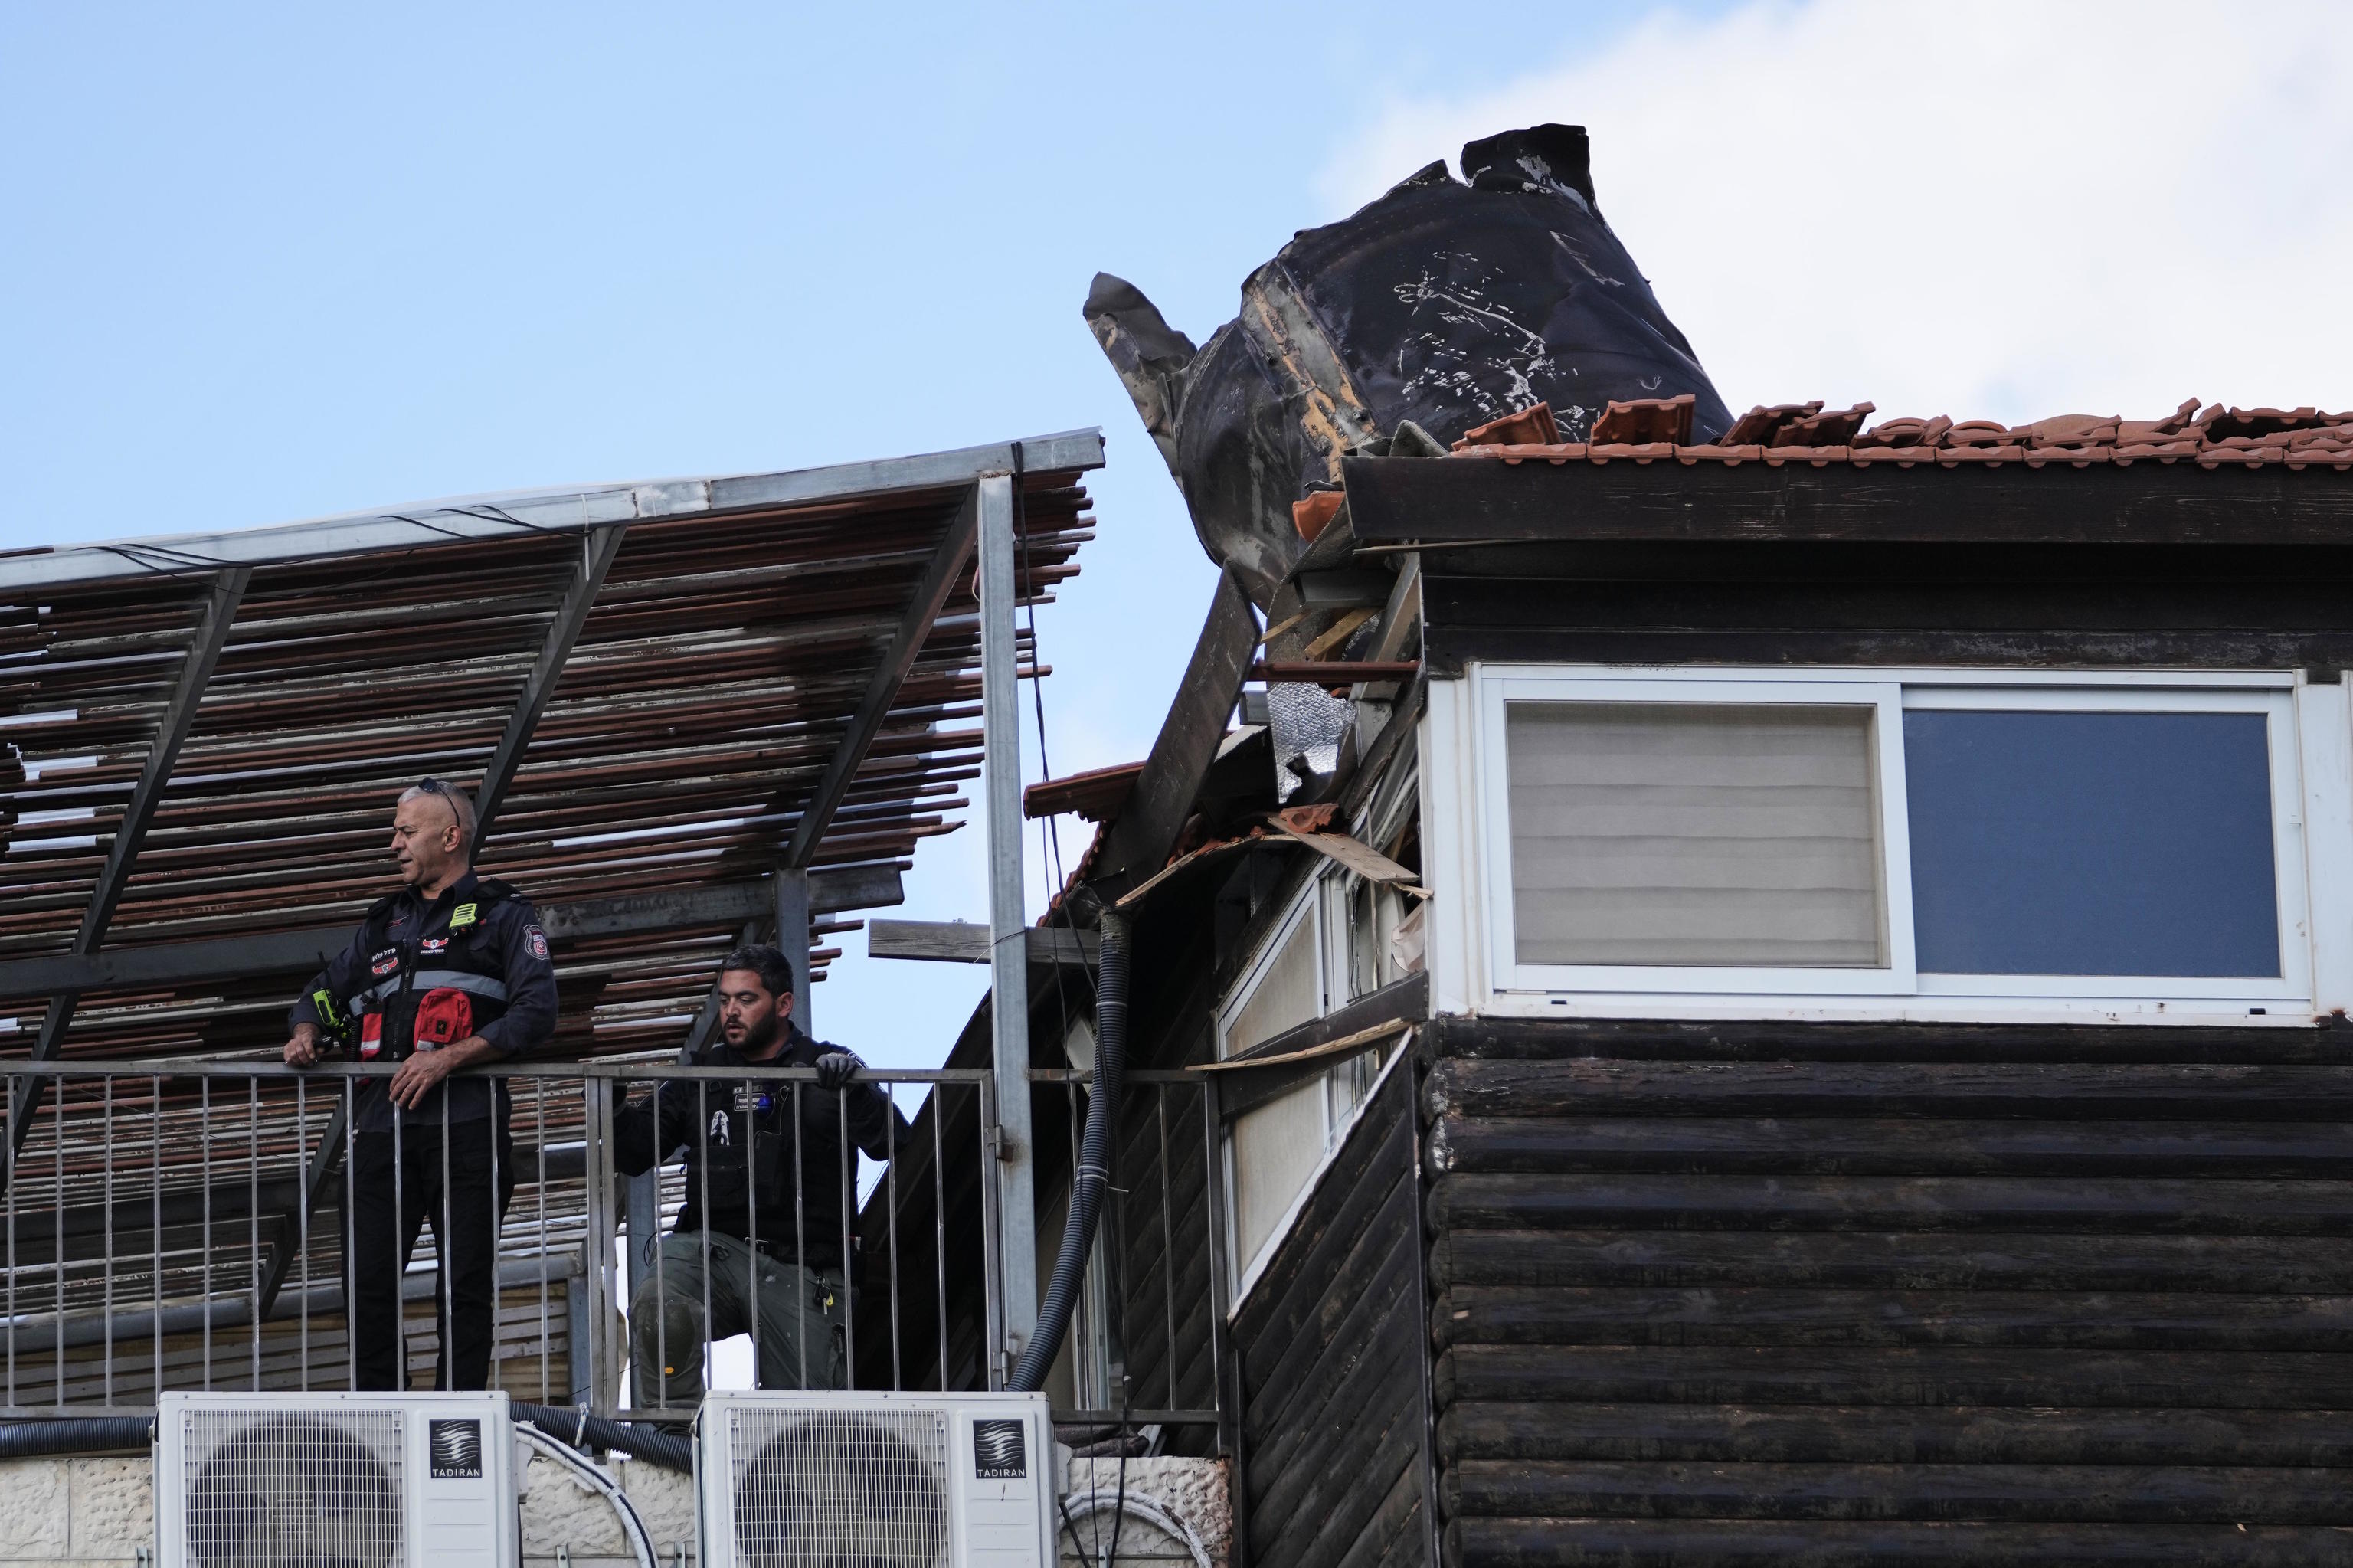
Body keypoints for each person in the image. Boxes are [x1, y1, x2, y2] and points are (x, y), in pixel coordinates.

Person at [282, 778, 557, 1391]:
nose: (394, 844)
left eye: (406, 831)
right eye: (395, 832)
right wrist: (305, 1029)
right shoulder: (386, 922)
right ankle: (384, 1419)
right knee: (367, 1285)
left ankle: (454, 1423)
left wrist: (447, 1058)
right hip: (381, 1132)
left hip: (468, 1129)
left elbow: (537, 1011)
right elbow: (321, 994)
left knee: (464, 1287)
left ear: (450, 836)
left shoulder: (505, 913)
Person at [614, 944, 897, 1405]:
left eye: (746, 1000)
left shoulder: (826, 1069)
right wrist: (615, 1107)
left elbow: (890, 1141)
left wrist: (855, 1090)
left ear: (783, 1005)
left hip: (804, 1269)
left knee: (811, 1425)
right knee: (660, 1303)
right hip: (713, 1254)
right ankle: (672, 1436)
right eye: (725, 1000)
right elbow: (635, 1152)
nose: (731, 1012)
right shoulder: (700, 1077)